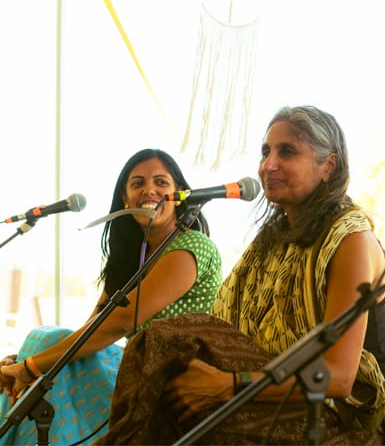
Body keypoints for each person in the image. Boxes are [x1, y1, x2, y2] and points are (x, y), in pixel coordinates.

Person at [96, 105, 385, 445]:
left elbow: (338, 377)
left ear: (329, 166)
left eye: (287, 152)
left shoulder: (351, 240)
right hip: (289, 394)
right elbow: (227, 332)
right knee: (165, 364)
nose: (269, 164)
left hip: (364, 416)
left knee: (180, 378)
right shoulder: (271, 242)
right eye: (265, 152)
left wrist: (228, 386)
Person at [0, 148, 223, 445]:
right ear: (124, 199)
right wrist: (30, 356)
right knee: (43, 338)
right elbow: (92, 326)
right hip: (132, 375)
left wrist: (31, 366)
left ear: (181, 193)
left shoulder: (192, 247)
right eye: (137, 183)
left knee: (48, 346)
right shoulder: (129, 259)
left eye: (161, 182)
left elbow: (119, 323)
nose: (149, 190)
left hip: (173, 382)